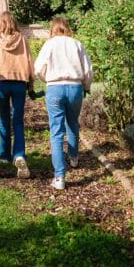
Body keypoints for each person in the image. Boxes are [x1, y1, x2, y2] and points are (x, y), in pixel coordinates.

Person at [33, 17, 93, 191]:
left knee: (56, 131)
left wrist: (46, 80)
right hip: (74, 87)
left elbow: (38, 68)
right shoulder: (77, 44)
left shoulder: (49, 44)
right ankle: (73, 158)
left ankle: (59, 177)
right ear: (67, 28)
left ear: (52, 29)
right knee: (73, 123)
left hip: (55, 88)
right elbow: (88, 70)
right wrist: (86, 86)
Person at [0, 11, 34, 178]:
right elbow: (29, 61)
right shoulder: (22, 39)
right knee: (18, 120)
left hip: (3, 81)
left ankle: (4, 154)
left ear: (0, 23)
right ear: (14, 22)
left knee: (4, 117)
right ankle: (19, 154)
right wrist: (31, 82)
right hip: (20, 82)